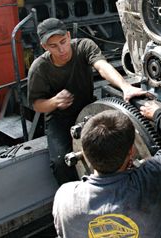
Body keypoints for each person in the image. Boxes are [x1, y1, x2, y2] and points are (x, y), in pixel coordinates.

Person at [27, 18, 147, 184]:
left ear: (69, 36)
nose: (61, 49)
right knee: (60, 163)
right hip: (59, 119)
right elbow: (37, 104)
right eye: (54, 46)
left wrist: (125, 86)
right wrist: (55, 101)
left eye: (63, 41)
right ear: (44, 46)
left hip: (89, 109)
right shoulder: (39, 68)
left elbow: (102, 66)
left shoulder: (84, 46)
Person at [52, 101, 161, 238]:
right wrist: (157, 114)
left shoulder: (64, 198)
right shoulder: (149, 182)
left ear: (85, 153)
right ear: (131, 151)